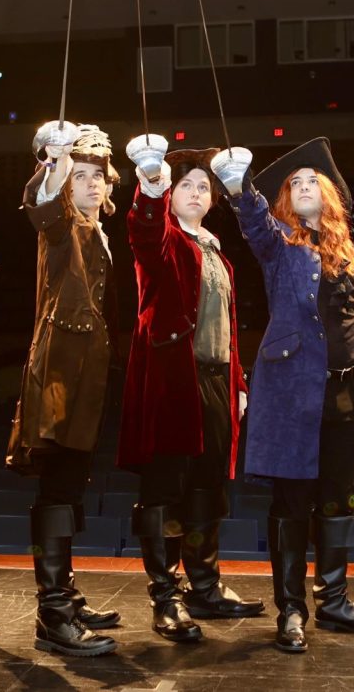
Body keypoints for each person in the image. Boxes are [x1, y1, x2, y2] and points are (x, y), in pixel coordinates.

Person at [210, 137, 354, 654]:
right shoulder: (279, 243)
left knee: (339, 503)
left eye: (314, 180)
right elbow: (253, 223)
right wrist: (240, 186)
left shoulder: (345, 254)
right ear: (286, 199)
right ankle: (291, 610)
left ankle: (334, 602)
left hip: (341, 396)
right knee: (292, 505)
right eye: (296, 182)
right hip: (291, 395)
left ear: (330, 194)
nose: (305, 185)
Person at [118, 135, 265, 644]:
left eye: (205, 187)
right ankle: (166, 596)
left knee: (207, 492)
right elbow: (142, 227)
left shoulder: (219, 256)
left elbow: (230, 327)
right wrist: (151, 183)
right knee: (165, 492)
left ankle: (205, 586)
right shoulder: (163, 239)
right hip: (173, 382)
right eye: (188, 186)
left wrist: (238, 383)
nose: (199, 193)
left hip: (216, 382)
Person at [7, 121, 122, 657]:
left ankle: (66, 596)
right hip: (57, 376)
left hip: (85, 375)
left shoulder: (98, 230)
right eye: (81, 176)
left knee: (71, 486)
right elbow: (40, 204)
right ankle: (52, 613)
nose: (92, 184)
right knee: (55, 489)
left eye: (98, 175)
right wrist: (51, 162)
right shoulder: (62, 223)